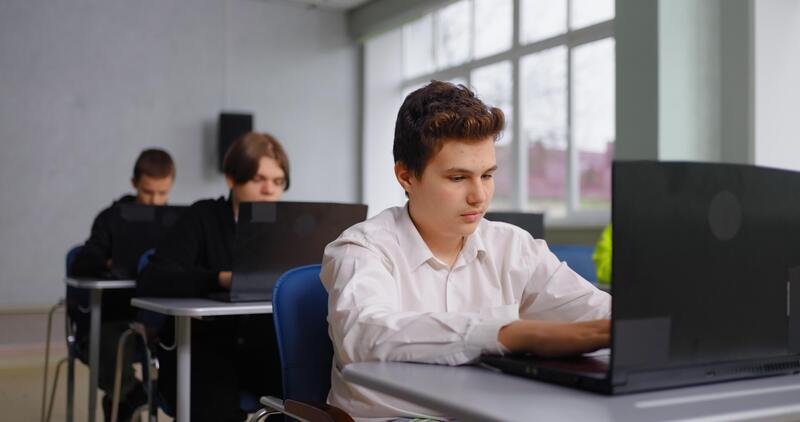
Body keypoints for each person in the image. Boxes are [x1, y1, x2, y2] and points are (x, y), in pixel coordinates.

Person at [321, 81, 612, 420]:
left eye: (487, 175)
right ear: (406, 176)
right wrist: (505, 333)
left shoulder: (513, 246)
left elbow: (596, 314)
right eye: (458, 178)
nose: (479, 196)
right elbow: (365, 335)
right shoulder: (362, 248)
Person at [138, 132, 289, 422]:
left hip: (261, 349)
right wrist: (218, 279)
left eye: (278, 181)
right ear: (232, 179)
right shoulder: (202, 217)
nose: (270, 190)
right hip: (202, 352)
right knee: (216, 406)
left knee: (312, 396)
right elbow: (152, 278)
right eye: (259, 180)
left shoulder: (286, 229)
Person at [69, 148, 176, 422]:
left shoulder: (176, 221)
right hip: (116, 314)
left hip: (160, 315)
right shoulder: (111, 218)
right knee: (107, 344)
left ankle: (136, 399)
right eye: (148, 192)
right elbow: (84, 261)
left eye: (162, 194)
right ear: (134, 184)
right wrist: (109, 263)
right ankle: (135, 395)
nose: (155, 201)